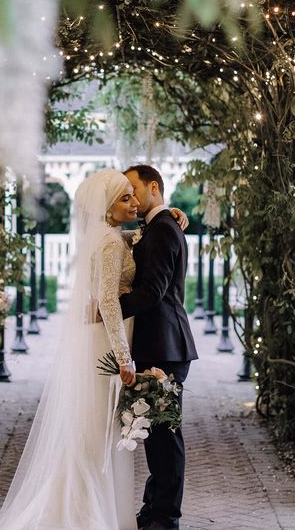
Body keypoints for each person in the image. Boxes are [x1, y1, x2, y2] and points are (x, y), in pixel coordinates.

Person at [0, 168, 187, 530]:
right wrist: (123, 356)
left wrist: (172, 214)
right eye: (124, 197)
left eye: (134, 193)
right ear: (107, 205)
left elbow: (131, 267)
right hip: (116, 345)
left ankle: (147, 513)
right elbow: (111, 302)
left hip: (144, 341)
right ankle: (89, 512)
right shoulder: (112, 240)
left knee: (119, 433)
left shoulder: (108, 234)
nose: (132, 201)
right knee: (104, 434)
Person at [119, 164, 199, 530]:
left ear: (154, 187)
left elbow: (153, 292)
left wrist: (108, 310)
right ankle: (153, 509)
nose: (132, 198)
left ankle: (166, 518)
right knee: (153, 431)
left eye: (134, 190)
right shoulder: (159, 225)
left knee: (165, 436)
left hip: (166, 347)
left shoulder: (165, 228)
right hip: (157, 345)